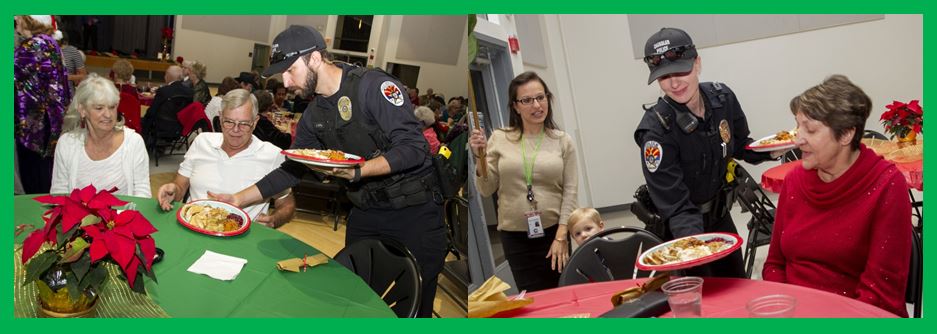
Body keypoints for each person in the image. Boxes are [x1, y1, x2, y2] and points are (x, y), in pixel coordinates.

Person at [210, 25, 446, 318]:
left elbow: (414, 148)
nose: (285, 81)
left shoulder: (373, 87)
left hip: (415, 213)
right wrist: (237, 199)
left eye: (290, 70)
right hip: (366, 211)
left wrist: (359, 171)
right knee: (355, 297)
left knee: (415, 304)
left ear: (314, 59)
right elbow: (292, 169)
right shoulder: (314, 115)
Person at [633, 27, 781, 278]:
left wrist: (772, 151)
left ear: (698, 63)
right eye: (664, 76)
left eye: (682, 70)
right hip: (684, 230)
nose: (675, 83)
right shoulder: (656, 132)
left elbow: (740, 144)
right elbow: (677, 207)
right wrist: (698, 251)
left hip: (720, 217)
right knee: (705, 303)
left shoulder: (722, 98)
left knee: (738, 288)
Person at [763, 75, 911, 317]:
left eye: (810, 129)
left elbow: (881, 296)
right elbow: (775, 264)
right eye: (797, 126)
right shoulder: (794, 181)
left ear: (846, 135)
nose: (798, 139)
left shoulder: (886, 185)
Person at [470, 71, 578, 292]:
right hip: (515, 236)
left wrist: (561, 235)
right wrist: (478, 157)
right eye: (526, 100)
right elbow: (486, 188)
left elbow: (570, 191)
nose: (536, 105)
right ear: (516, 106)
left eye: (540, 97)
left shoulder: (562, 141)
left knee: (561, 293)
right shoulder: (500, 138)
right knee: (531, 299)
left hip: (554, 233)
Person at [157, 89, 296, 228]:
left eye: (244, 123)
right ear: (220, 118)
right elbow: (180, 186)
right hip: (193, 229)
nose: (235, 130)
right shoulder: (202, 142)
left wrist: (275, 218)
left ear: (255, 122)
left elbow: (286, 203)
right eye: (229, 122)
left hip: (241, 239)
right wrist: (173, 190)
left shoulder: (272, 155)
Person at [51, 74, 150, 197]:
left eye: (112, 107)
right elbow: (59, 193)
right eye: (99, 108)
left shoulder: (133, 142)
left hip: (122, 215)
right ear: (82, 110)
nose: (108, 115)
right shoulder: (67, 143)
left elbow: (142, 193)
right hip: (78, 216)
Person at [15, 15, 72, 194]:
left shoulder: (32, 46)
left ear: (29, 20)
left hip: (34, 126)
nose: (16, 18)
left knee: (34, 177)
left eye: (19, 15)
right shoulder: (50, 43)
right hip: (48, 121)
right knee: (42, 174)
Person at [141, 65, 193, 146]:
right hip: (179, 128)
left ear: (168, 76)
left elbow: (152, 112)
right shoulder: (189, 92)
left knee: (145, 118)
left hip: (161, 127)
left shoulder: (163, 91)